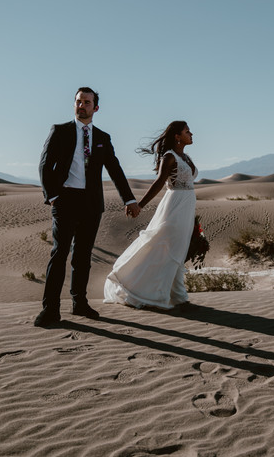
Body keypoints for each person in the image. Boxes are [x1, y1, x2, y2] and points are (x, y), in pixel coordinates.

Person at [34, 87, 141, 328]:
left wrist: (129, 199)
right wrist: (52, 196)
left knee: (82, 257)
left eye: (87, 102)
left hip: (92, 204)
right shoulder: (60, 131)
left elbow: (115, 169)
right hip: (65, 200)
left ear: (96, 108)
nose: (81, 105)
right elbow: (44, 165)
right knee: (60, 253)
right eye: (78, 101)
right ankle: (50, 310)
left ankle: (79, 303)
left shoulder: (102, 137)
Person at [104, 121, 197, 311]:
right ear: (177, 136)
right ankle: (155, 292)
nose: (191, 134)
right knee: (167, 248)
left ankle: (178, 296)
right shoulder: (170, 157)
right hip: (175, 206)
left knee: (179, 250)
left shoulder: (185, 156)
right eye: (187, 131)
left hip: (187, 207)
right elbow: (158, 183)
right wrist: (139, 205)